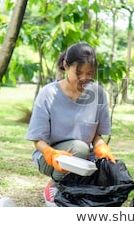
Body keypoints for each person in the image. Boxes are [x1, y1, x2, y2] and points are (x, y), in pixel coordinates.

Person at [26, 42, 116, 207]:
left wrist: (101, 146)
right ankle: (54, 186)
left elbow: (96, 136)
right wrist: (51, 153)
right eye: (79, 72)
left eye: (89, 73)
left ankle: (73, 187)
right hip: (49, 158)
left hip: (83, 160)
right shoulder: (48, 94)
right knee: (80, 148)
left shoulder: (98, 94)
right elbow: (37, 140)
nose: (84, 78)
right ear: (66, 66)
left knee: (105, 178)